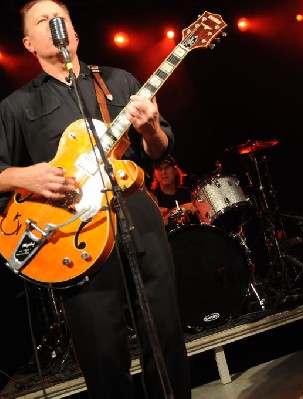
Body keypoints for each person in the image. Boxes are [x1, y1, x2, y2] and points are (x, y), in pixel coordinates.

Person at [0, 1, 191, 397]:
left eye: (61, 19)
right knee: (101, 352)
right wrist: (24, 176)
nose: (54, 24)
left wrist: (152, 128)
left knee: (165, 336)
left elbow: (157, 150)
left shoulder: (119, 81)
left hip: (136, 215)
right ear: (28, 44)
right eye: (42, 21)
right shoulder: (16, 106)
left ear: (75, 33)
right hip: (70, 235)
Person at [150, 155, 200, 230]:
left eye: (167, 167)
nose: (164, 172)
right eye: (159, 169)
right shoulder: (152, 198)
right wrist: (183, 209)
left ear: (175, 171)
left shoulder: (187, 193)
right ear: (155, 175)